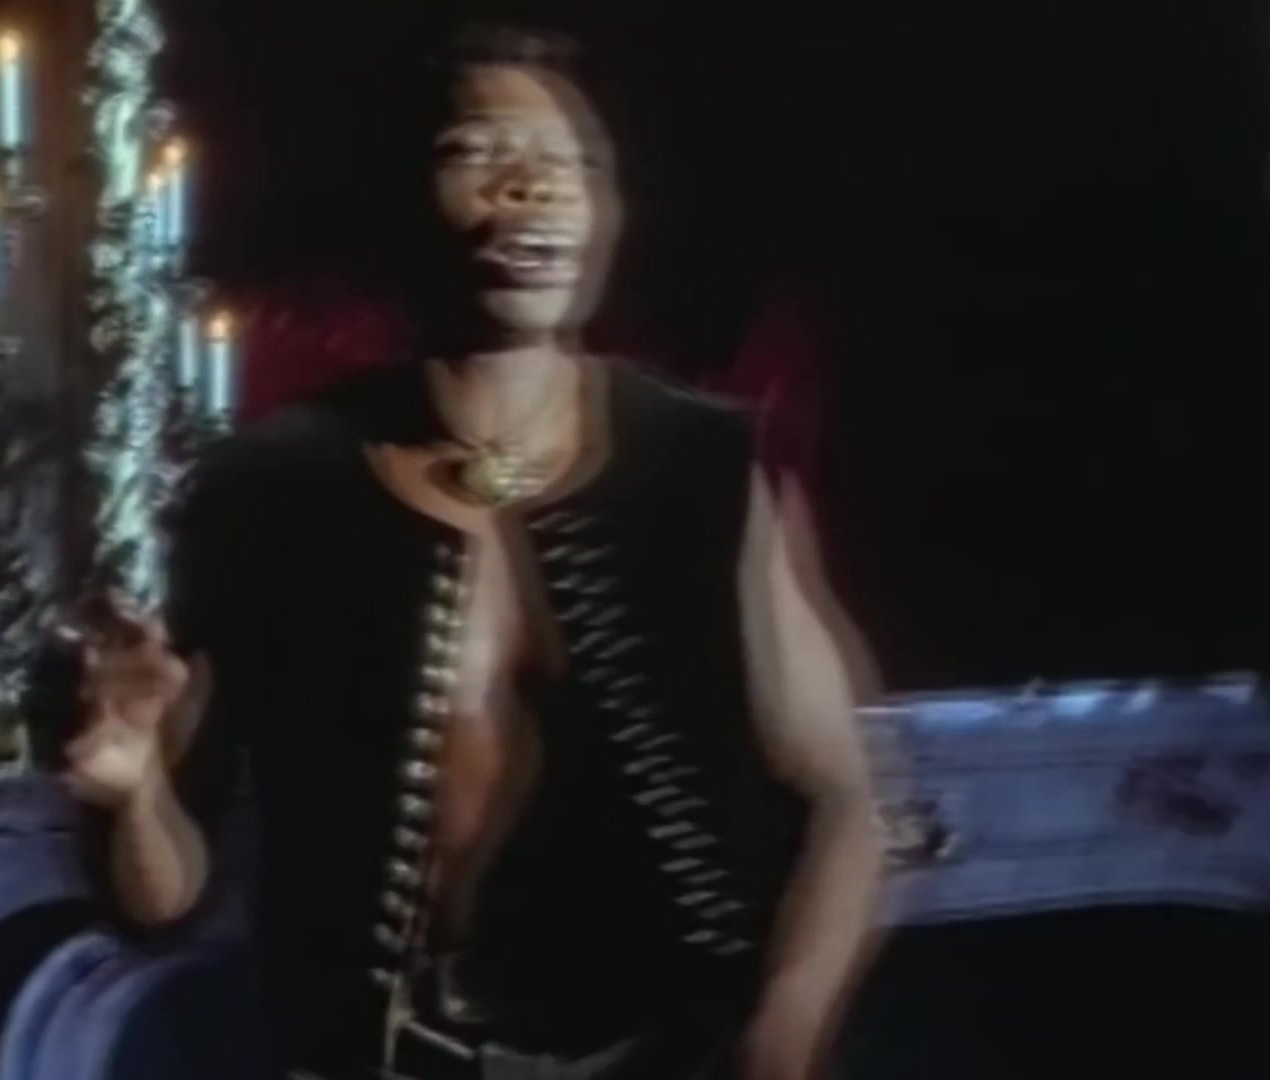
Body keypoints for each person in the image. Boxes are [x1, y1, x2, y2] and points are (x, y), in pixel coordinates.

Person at [64, 23, 884, 1079]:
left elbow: (842, 801)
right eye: (480, 151)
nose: (532, 188)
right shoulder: (273, 486)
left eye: (572, 165)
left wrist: (782, 1035)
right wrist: (134, 789)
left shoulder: (701, 466)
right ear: (402, 201)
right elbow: (161, 895)